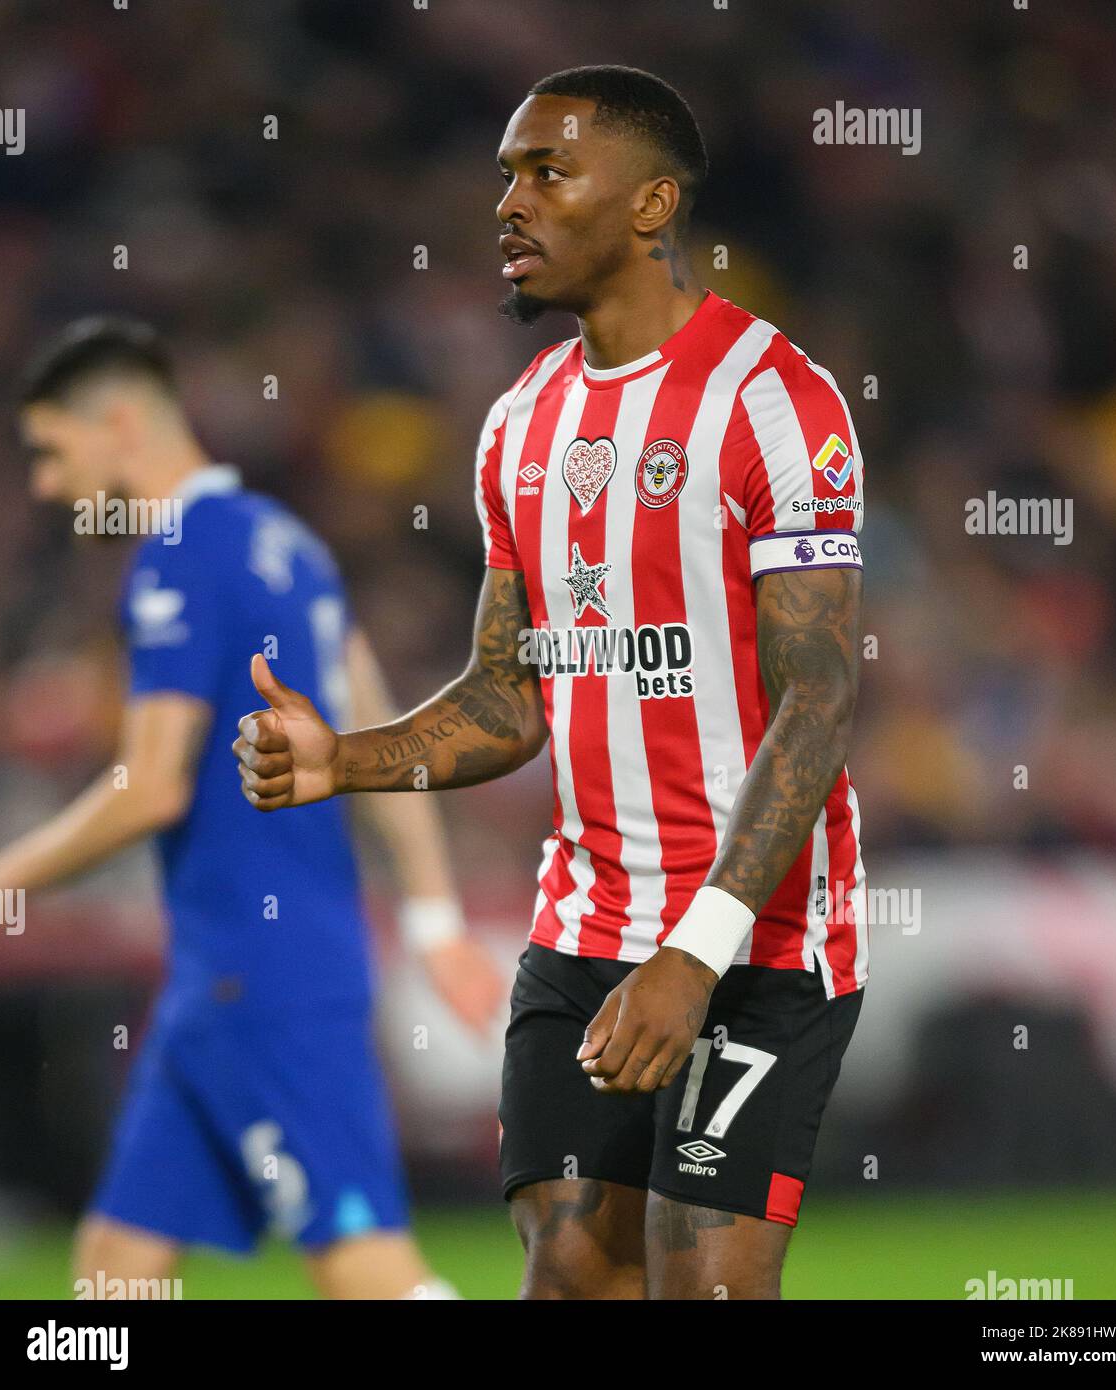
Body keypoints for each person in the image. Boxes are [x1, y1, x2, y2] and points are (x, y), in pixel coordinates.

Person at [234, 64, 867, 1300]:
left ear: (650, 206)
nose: (508, 205)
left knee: (706, 1289)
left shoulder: (776, 404)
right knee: (570, 1275)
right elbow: (507, 695)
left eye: (546, 172)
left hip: (758, 937)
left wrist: (697, 952)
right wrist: (341, 759)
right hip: (580, 927)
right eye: (506, 176)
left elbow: (820, 698)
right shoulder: (519, 425)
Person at [0, 316, 503, 1298]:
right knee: (114, 1272)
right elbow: (385, 737)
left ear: (120, 425)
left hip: (263, 980)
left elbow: (152, 781)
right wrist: (433, 920)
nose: (47, 485)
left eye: (51, 451)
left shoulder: (177, 559)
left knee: (365, 1268)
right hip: (228, 979)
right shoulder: (287, 543)